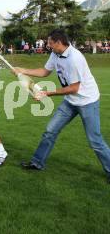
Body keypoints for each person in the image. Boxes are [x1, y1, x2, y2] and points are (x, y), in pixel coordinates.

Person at [14, 29, 110, 183]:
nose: (48, 45)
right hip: (71, 101)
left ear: (59, 43)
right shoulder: (56, 53)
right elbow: (45, 72)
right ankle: (37, 162)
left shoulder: (75, 59)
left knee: (95, 141)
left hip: (87, 101)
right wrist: (23, 70)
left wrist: (47, 93)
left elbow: (74, 88)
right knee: (50, 131)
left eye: (50, 43)